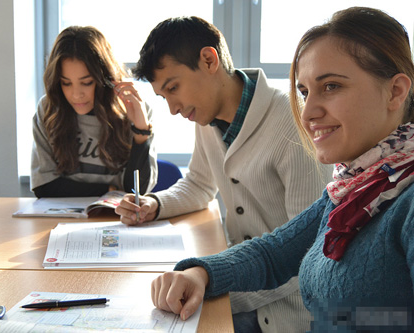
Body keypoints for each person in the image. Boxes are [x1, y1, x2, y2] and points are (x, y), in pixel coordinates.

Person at [150, 7, 414, 332]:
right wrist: (200, 273)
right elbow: (273, 253)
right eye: (304, 92)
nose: (308, 113)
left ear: (396, 91)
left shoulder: (404, 202)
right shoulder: (355, 188)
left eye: (331, 86)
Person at [115, 16, 332, 332]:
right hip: (239, 280)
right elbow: (199, 185)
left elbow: (304, 255)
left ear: (208, 59)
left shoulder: (292, 122)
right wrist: (155, 205)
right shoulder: (206, 118)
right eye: (163, 97)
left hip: (288, 312)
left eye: (173, 88)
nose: (173, 108)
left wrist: (214, 292)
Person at [31, 26, 157, 198]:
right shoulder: (49, 109)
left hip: (117, 219)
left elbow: (136, 191)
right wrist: (108, 191)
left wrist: (141, 132)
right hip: (61, 219)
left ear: (104, 80)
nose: (76, 94)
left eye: (87, 82)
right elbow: (44, 186)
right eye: (66, 83)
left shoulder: (133, 111)